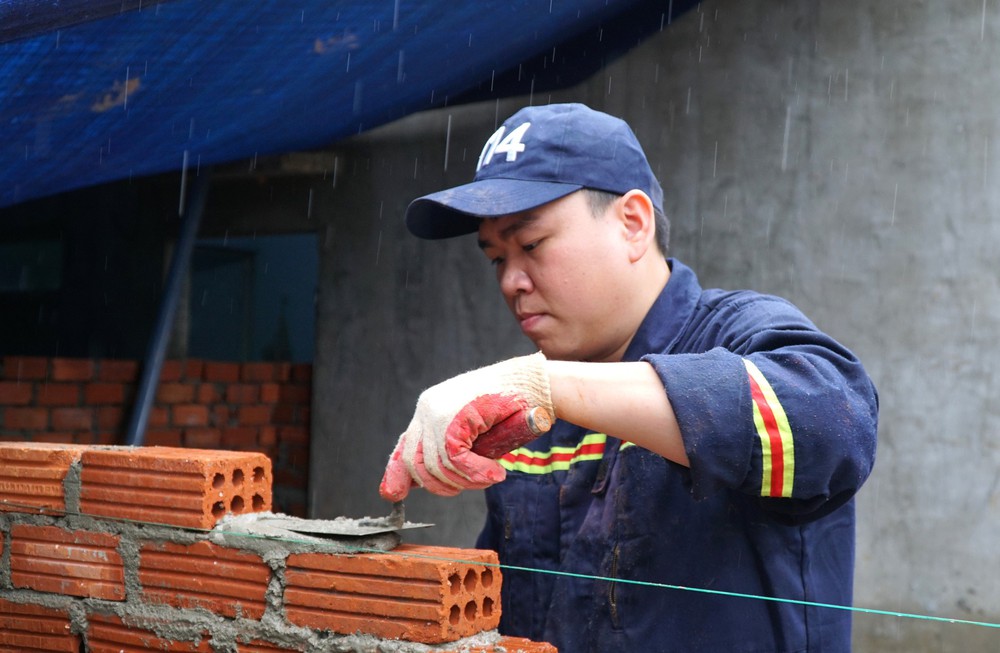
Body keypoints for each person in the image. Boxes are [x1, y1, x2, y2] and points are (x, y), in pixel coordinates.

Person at [379, 103, 878, 652]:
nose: (511, 281)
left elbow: (834, 424)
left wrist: (548, 387)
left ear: (632, 224)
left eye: (531, 245)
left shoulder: (739, 331)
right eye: (495, 258)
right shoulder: (537, 411)